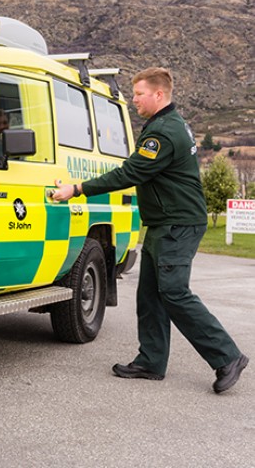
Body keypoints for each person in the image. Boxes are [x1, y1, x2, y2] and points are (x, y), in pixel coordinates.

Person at [52, 67, 248, 394]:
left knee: (173, 291)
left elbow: (131, 173)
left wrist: (78, 188)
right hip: (163, 222)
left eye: (139, 94)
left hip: (178, 223)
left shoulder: (163, 133)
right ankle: (151, 361)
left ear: (158, 95)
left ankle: (227, 356)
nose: (134, 100)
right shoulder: (166, 124)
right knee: (150, 293)